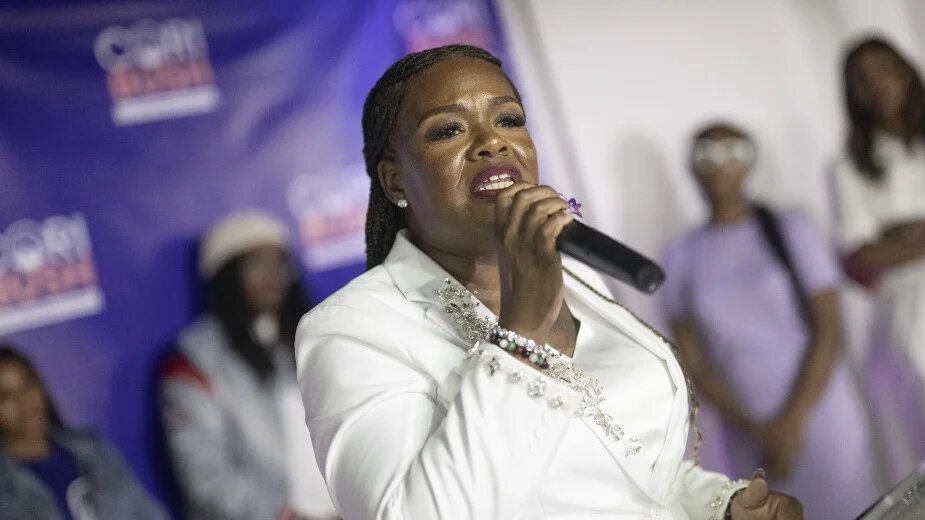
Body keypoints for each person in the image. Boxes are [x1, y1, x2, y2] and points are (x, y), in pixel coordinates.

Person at [295, 44, 802, 519]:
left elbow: (634, 469)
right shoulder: (352, 328)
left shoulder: (575, 274)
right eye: (448, 130)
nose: (492, 141)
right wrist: (525, 337)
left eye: (509, 120)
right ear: (395, 181)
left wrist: (723, 505)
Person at [659, 123, 878, 518]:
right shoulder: (680, 255)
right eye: (707, 155)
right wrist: (759, 430)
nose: (721, 165)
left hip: (822, 414)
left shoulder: (791, 228)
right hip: (748, 429)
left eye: (733, 153)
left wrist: (792, 423)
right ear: (692, 167)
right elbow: (692, 360)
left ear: (750, 162)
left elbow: (829, 328)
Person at [159, 211, 339, 520]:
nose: (273, 277)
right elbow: (205, 474)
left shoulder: (313, 334)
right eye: (257, 265)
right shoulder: (194, 361)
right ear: (226, 276)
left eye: (279, 264)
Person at [833, 36, 925, 481]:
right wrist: (886, 244)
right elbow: (861, 256)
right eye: (863, 80)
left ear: (905, 69)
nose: (878, 85)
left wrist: (902, 235)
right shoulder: (851, 167)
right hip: (912, 321)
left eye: (884, 69)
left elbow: (880, 246)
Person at [0, 345, 168, 520]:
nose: (24, 402)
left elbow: (144, 511)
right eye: (6, 396)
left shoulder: (94, 450)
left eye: (28, 385)